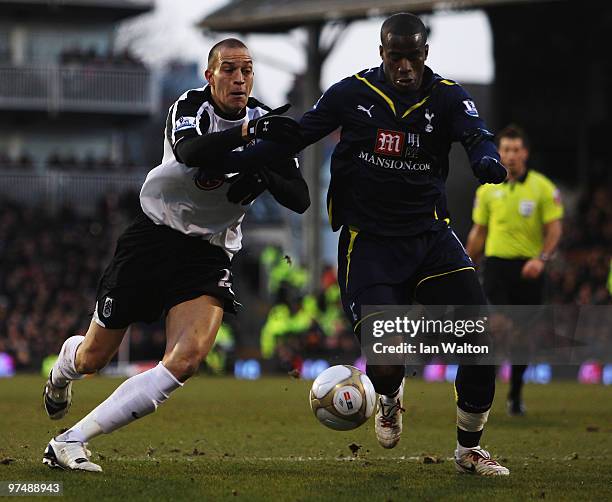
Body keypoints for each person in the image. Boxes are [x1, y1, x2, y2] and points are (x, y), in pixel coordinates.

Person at [222, 12, 510, 475]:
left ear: (425, 55)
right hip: (370, 245)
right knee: (387, 360)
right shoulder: (351, 93)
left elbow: (476, 135)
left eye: (412, 57)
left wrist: (486, 158)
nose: (404, 67)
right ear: (382, 54)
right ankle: (390, 396)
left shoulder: (448, 96)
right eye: (395, 57)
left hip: (432, 237)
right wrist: (238, 157)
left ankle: (469, 450)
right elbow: (298, 134)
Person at [41, 38, 309, 472]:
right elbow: (191, 152)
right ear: (210, 76)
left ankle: (71, 440)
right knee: (93, 358)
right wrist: (249, 138)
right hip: (153, 238)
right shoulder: (191, 106)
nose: (239, 79)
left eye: (246, 70)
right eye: (229, 70)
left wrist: (266, 162)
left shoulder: (265, 124)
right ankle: (60, 374)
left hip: (207, 253)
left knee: (186, 360)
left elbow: (299, 199)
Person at [466, 124, 563, 416]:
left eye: (515, 150)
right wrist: (467, 263)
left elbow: (554, 229)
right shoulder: (486, 191)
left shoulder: (543, 188)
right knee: (496, 327)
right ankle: (485, 392)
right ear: (498, 152)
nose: (510, 156)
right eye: (505, 149)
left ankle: (516, 394)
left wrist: (542, 259)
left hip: (529, 269)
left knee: (522, 335)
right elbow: (478, 233)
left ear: (525, 153)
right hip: (496, 266)